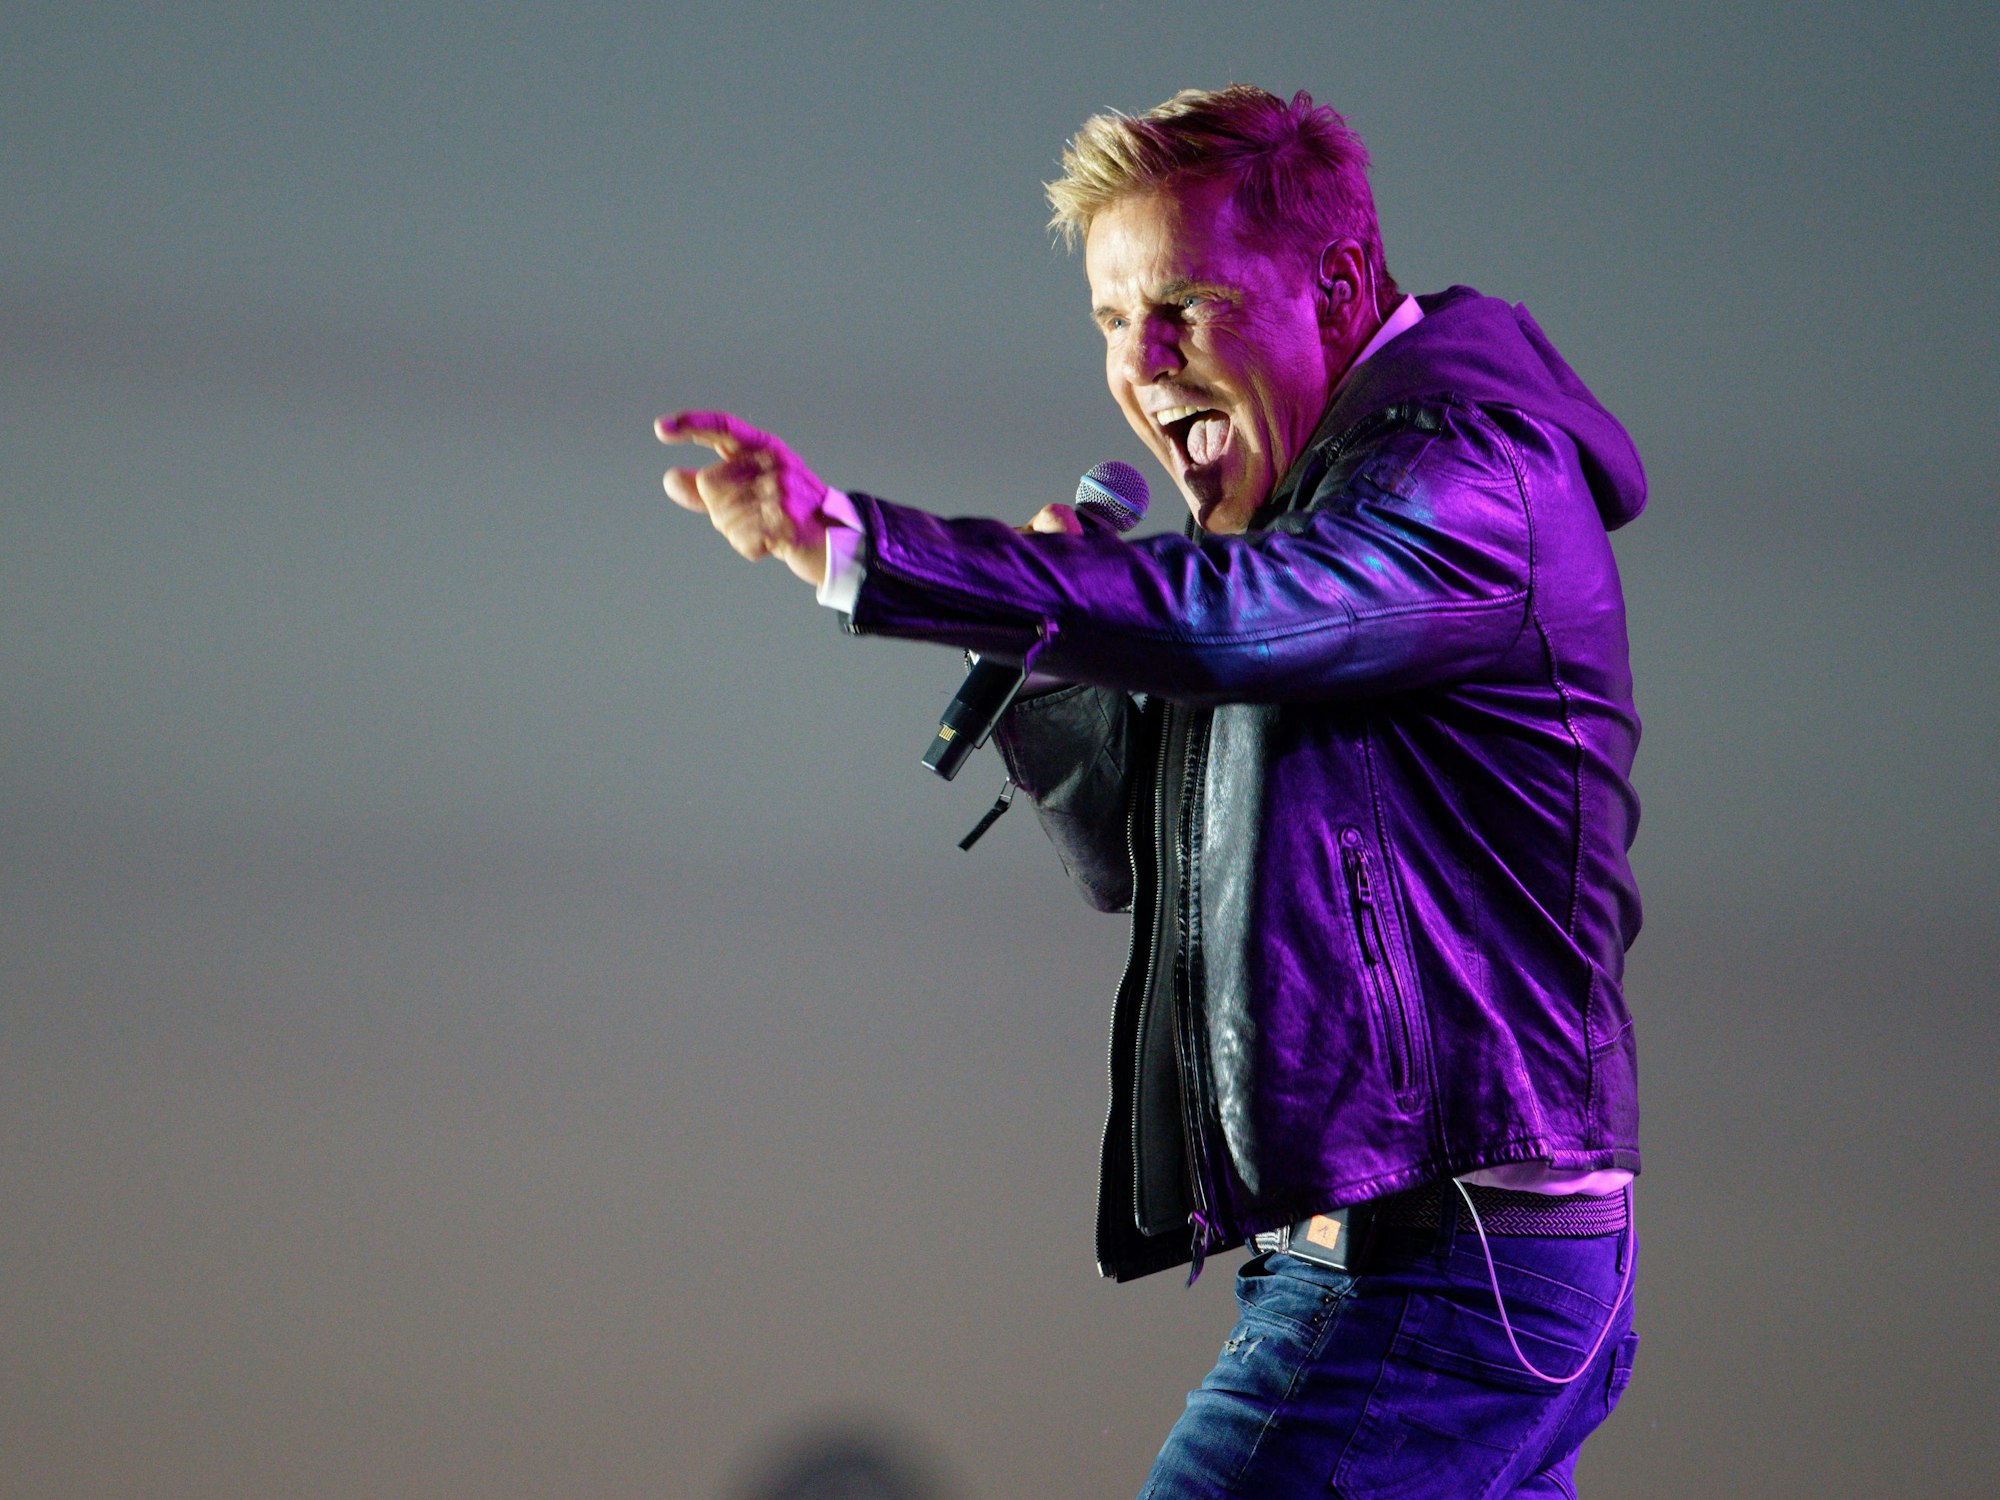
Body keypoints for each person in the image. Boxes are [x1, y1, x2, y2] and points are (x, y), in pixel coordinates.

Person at [660, 85, 1645, 1498]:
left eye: (1187, 303)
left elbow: (1226, 621)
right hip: (1413, 1267)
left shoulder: (1470, 483)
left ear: (1341, 285)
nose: (1146, 359)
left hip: (1437, 1278)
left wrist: (856, 547)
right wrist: (1055, 660)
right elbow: (1140, 860)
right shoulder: (1299, 523)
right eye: (1115, 320)